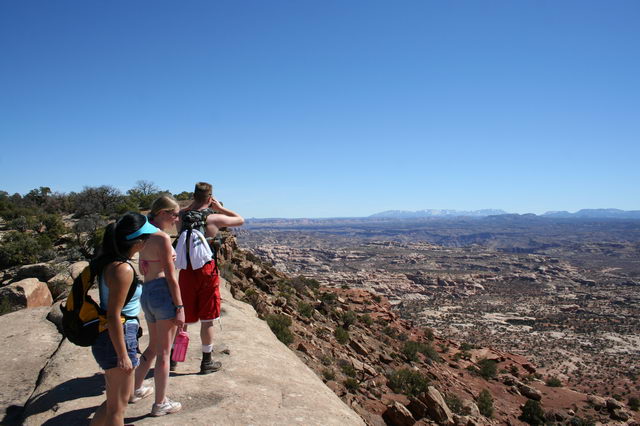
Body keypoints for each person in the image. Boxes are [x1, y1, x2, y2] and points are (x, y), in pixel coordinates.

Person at [90, 212, 158, 426]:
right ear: (137, 242)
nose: (149, 241)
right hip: (117, 337)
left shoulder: (112, 261)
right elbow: (113, 315)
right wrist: (123, 355)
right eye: (146, 237)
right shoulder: (123, 269)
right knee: (118, 410)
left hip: (113, 335)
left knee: (116, 400)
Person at [175, 182, 244, 374]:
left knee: (183, 317)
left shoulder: (181, 216)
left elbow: (174, 213)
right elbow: (240, 219)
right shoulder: (213, 217)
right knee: (208, 319)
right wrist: (220, 207)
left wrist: (189, 207)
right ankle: (206, 361)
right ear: (210, 197)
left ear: (193, 196)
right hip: (207, 270)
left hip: (186, 270)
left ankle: (174, 357)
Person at [132, 195, 185, 416]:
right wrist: (180, 307)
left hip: (147, 292)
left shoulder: (143, 233)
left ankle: (133, 390)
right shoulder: (162, 238)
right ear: (162, 213)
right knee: (164, 353)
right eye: (174, 214)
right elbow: (172, 278)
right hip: (163, 293)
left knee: (153, 347)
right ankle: (160, 403)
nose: (176, 219)